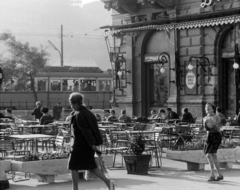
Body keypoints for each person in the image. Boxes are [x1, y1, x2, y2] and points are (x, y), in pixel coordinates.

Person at [68, 92, 115, 190]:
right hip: (87, 145)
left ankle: (75, 188)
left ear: (76, 103)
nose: (71, 106)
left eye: (71, 104)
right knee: (91, 166)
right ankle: (108, 182)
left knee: (73, 166)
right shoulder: (89, 113)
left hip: (80, 145)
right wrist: (93, 144)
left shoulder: (79, 114)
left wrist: (92, 143)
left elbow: (86, 131)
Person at [203, 103, 223, 181]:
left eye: (209, 107)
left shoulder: (217, 116)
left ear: (213, 109)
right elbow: (205, 129)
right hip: (209, 136)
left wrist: (212, 124)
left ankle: (212, 174)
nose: (207, 108)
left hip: (216, 136)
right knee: (213, 155)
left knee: (208, 155)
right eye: (206, 107)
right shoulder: (204, 118)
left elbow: (219, 127)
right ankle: (220, 174)